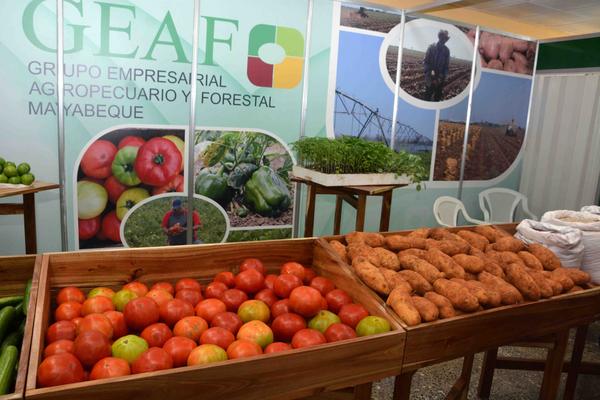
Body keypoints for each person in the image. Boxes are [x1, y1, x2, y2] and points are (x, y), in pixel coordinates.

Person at [423, 30, 450, 102]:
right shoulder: (431, 47)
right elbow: (426, 62)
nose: (444, 40)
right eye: (442, 37)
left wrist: (442, 77)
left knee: (437, 98)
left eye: (445, 38)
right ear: (439, 37)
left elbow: (446, 66)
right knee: (427, 97)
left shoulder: (446, 51)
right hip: (430, 76)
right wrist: (430, 73)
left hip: (440, 78)